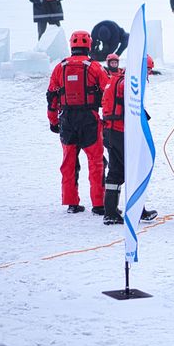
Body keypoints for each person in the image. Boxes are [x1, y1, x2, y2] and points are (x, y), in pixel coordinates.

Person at [46, 30, 109, 214]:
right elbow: (107, 91)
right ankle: (98, 204)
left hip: (67, 119)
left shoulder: (60, 67)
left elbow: (52, 96)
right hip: (89, 118)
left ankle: (71, 203)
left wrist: (52, 120)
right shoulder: (94, 67)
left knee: (69, 163)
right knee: (96, 161)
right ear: (88, 46)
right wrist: (108, 118)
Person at [100, 54, 157, 225]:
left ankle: (110, 212)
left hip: (109, 131)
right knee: (134, 171)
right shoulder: (129, 82)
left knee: (116, 171)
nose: (148, 74)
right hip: (122, 133)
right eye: (147, 70)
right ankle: (138, 211)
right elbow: (132, 106)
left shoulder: (115, 79)